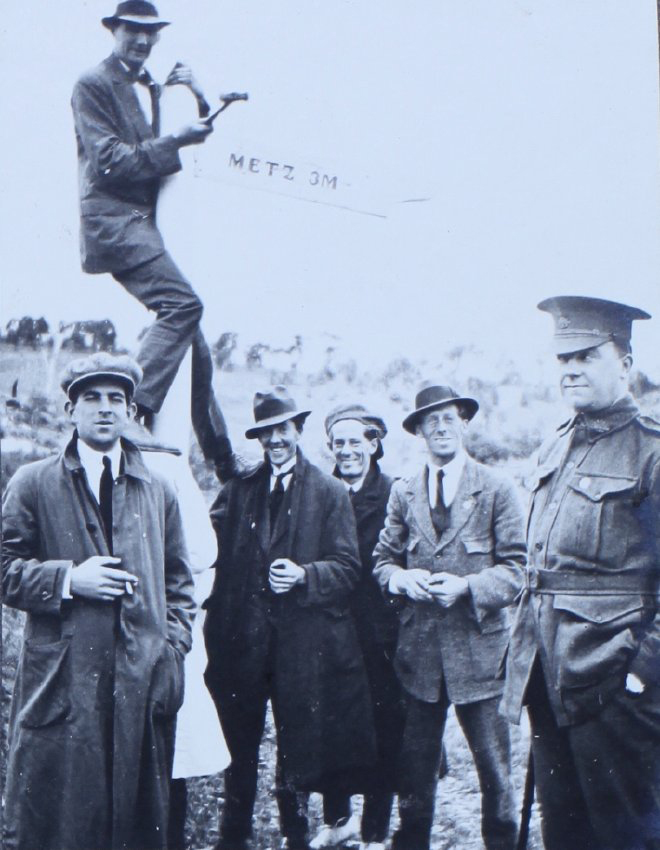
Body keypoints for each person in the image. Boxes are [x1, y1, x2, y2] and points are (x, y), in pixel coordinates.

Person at [2, 353, 195, 850]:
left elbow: (179, 580)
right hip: (65, 676)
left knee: (134, 813)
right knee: (64, 813)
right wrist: (69, 579)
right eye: (91, 398)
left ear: (131, 410)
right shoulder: (33, 482)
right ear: (71, 409)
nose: (105, 409)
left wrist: (172, 650)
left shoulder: (158, 488)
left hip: (140, 674)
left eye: (116, 399)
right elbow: (4, 570)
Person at [502, 296, 660, 850]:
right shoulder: (556, 444)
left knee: (623, 836)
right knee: (564, 834)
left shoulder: (651, 452)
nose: (570, 369)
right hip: (551, 676)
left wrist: (641, 671)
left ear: (625, 363)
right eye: (563, 358)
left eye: (587, 356)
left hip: (615, 681)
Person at [203, 386, 376, 850]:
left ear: (298, 431)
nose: (276, 439)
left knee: (296, 745)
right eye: (267, 433)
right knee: (238, 744)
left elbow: (348, 567)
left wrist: (304, 574)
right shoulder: (240, 489)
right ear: (258, 439)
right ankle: (232, 835)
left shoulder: (329, 490)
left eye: (283, 429)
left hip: (301, 647)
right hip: (244, 644)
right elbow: (206, 545)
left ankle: (294, 835)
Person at [71, 1, 233, 470]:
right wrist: (178, 141)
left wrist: (199, 94)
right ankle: (132, 409)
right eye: (132, 31)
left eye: (151, 33)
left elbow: (183, 138)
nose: (142, 41)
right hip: (116, 223)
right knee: (184, 306)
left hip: (146, 223)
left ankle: (223, 462)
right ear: (114, 31)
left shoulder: (151, 85)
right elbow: (112, 160)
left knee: (193, 340)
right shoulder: (93, 84)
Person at [373, 383, 525, 850]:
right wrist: (402, 580)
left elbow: (518, 569)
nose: (440, 427)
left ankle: (502, 843)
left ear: (463, 423)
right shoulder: (404, 491)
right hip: (419, 659)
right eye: (430, 421)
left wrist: (468, 587)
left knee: (495, 774)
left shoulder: (496, 488)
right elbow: (383, 560)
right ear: (418, 431)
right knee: (414, 773)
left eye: (449, 418)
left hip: (480, 657)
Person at [310, 404, 404, 850]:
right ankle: (337, 818)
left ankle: (376, 831)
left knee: (384, 724)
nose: (346, 451)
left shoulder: (393, 493)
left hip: (379, 630)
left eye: (355, 442)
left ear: (373, 443)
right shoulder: (319, 491)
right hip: (328, 627)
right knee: (333, 723)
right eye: (338, 443)